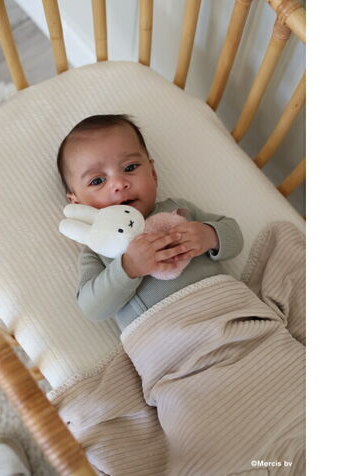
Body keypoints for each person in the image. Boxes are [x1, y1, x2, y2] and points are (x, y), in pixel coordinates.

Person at [57, 114, 243, 331]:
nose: (119, 184)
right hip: (166, 338)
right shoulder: (97, 248)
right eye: (97, 180)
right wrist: (128, 268)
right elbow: (92, 308)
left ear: (153, 173)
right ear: (78, 203)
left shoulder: (177, 208)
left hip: (227, 311)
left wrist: (209, 235)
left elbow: (235, 235)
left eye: (130, 168)